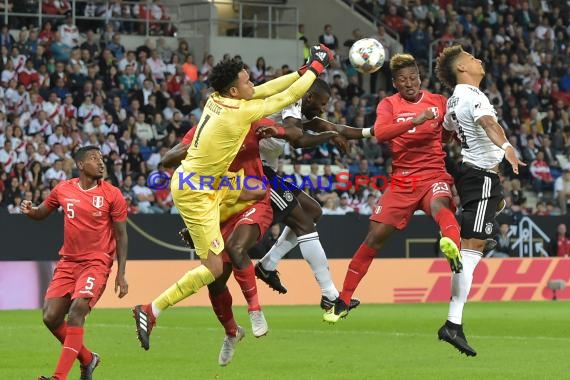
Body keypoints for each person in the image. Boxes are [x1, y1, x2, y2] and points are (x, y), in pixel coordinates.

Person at [132, 46, 333, 351]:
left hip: (206, 183)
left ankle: (236, 315)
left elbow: (266, 89)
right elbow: (283, 98)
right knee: (213, 269)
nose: (252, 80)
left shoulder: (218, 100)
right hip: (197, 191)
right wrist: (317, 67)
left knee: (258, 191)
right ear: (234, 89)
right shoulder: (240, 113)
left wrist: (303, 70)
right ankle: (151, 310)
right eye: (245, 78)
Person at [323, 53, 462, 325]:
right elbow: (381, 132)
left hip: (433, 174)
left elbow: (448, 132)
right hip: (401, 181)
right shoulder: (389, 104)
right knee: (375, 237)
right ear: (396, 84)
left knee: (440, 206)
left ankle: (454, 251)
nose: (409, 83)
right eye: (403, 80)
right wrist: (416, 120)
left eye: (413, 78)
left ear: (420, 79)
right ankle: (345, 298)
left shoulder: (439, 102)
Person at [433, 45, 524, 356]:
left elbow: (445, 130)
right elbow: (488, 124)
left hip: (473, 175)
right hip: (482, 177)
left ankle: (465, 236)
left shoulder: (453, 101)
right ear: (462, 69)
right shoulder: (474, 97)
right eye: (472, 58)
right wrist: (508, 146)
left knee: (491, 219)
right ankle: (452, 325)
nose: (478, 59)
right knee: (471, 253)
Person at [164, 118, 275, 365]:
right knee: (214, 282)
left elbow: (287, 131)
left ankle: (255, 310)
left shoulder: (250, 117)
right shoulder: (204, 129)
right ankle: (232, 332)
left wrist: (278, 131)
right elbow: (170, 159)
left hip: (253, 200)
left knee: (236, 248)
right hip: (223, 210)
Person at [253, 78, 364, 310]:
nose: (323, 109)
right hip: (253, 172)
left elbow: (335, 127)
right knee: (304, 223)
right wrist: (331, 136)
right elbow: (298, 141)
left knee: (313, 211)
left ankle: (268, 265)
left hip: (267, 170)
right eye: (322, 104)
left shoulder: (302, 112)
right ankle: (330, 295)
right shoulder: (291, 101)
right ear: (309, 97)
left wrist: (373, 131)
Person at [22, 146, 128, 380]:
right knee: (50, 317)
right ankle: (89, 359)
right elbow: (42, 213)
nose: (101, 163)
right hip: (68, 262)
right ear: (81, 165)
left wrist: (121, 273)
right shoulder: (63, 189)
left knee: (77, 311)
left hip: (96, 263)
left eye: (101, 159)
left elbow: (122, 235)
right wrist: (31, 211)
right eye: (94, 159)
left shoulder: (113, 194)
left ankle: (59, 377)